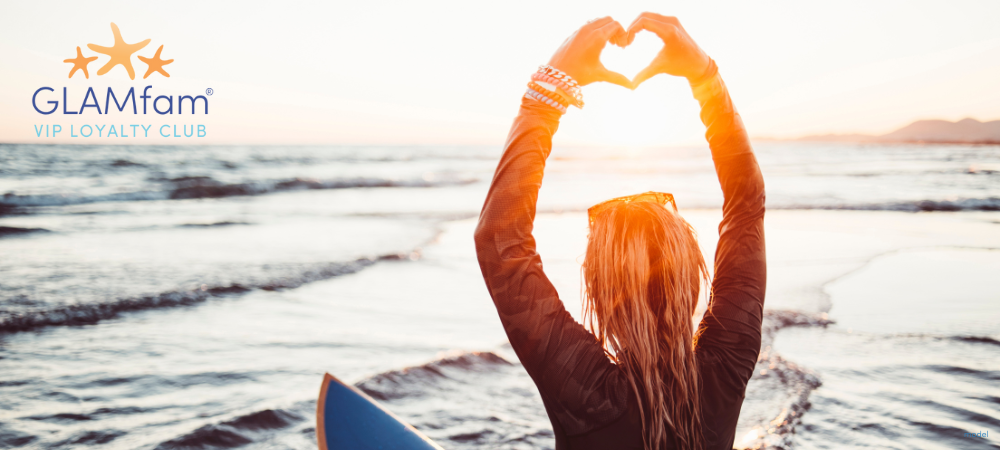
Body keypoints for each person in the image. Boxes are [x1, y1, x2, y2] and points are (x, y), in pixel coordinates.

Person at [474, 13, 766, 450]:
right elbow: (746, 206)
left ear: (596, 290)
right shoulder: (728, 362)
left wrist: (548, 90)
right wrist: (704, 76)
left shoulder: (583, 387)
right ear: (691, 275)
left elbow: (500, 242)